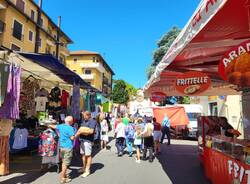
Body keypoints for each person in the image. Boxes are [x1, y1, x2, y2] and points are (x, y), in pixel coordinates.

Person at [49, 116, 75, 184]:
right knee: (65, 164)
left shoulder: (61, 126)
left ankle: (64, 175)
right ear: (71, 122)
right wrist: (75, 135)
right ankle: (62, 178)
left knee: (63, 162)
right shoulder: (70, 128)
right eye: (72, 121)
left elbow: (53, 126)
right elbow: (72, 138)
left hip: (62, 147)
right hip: (68, 147)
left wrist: (48, 124)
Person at [76, 111, 97, 178]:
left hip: (88, 141)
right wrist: (82, 131)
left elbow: (91, 131)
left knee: (88, 155)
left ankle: (87, 170)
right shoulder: (83, 121)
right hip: (82, 140)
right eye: (83, 116)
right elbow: (80, 130)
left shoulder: (92, 121)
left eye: (84, 116)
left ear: (88, 115)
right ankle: (84, 167)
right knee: (83, 155)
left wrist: (81, 131)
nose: (83, 117)